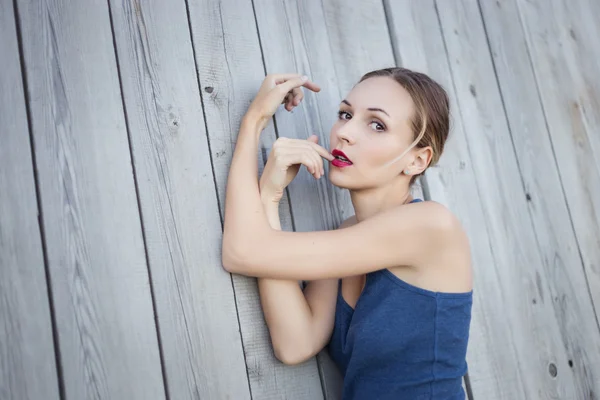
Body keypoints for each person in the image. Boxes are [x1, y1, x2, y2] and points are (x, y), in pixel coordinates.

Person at [222, 67, 473, 400]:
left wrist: (253, 121)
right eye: (345, 114)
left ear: (416, 161)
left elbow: (241, 252)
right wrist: (269, 198)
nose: (345, 133)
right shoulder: (347, 235)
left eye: (377, 124)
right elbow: (296, 342)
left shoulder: (430, 226)